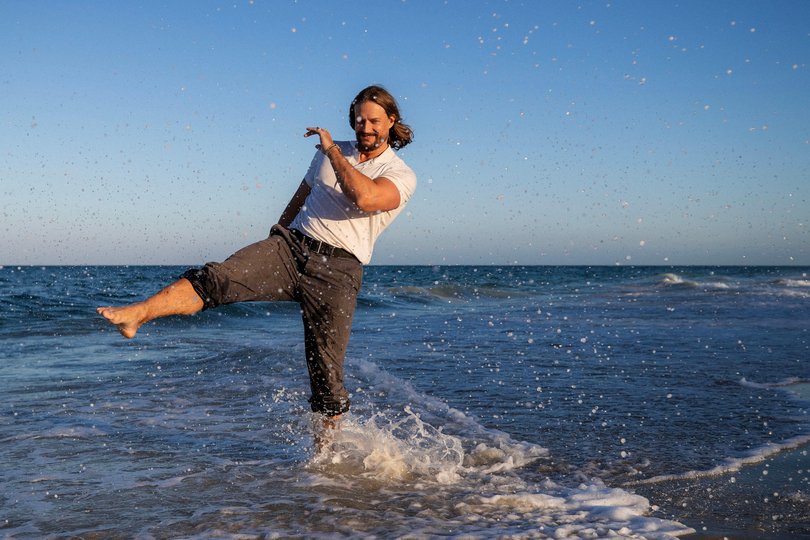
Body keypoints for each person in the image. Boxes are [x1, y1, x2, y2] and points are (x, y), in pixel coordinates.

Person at [97, 84, 416, 441]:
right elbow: (300, 198)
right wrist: (275, 237)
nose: (365, 128)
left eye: (374, 121)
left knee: (326, 375)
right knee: (217, 277)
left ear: (391, 120)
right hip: (291, 247)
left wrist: (331, 152)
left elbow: (366, 197)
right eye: (359, 121)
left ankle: (326, 457)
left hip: (338, 272)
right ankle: (137, 314)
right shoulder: (329, 155)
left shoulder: (400, 174)